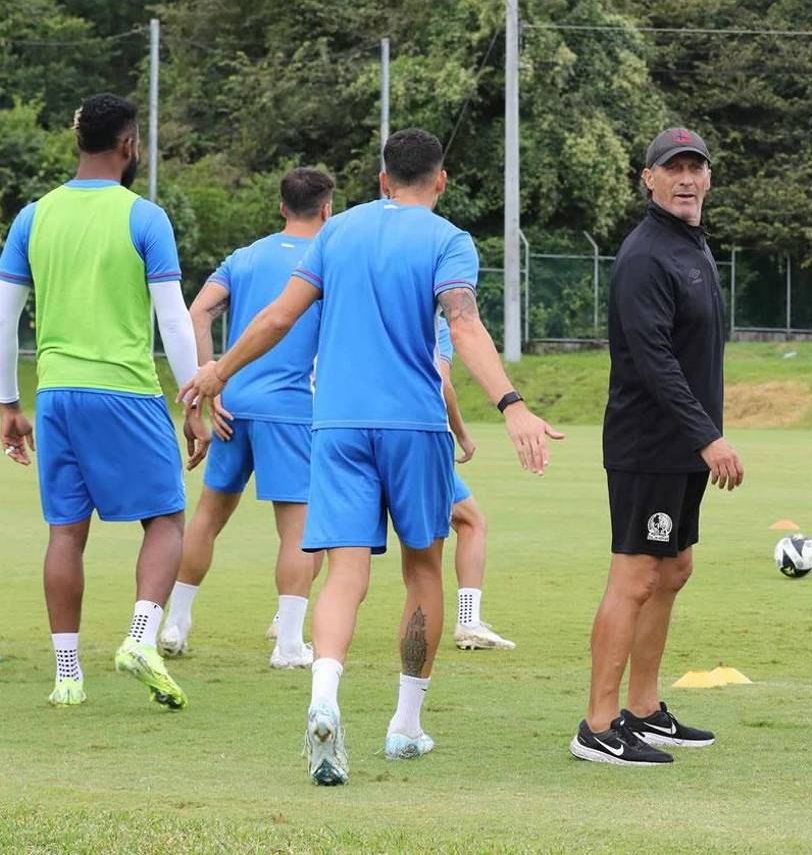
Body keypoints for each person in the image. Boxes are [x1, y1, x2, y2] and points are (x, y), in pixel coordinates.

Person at [178, 128, 561, 786]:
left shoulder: (337, 233)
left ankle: (324, 691)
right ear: (438, 182)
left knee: (343, 573)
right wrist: (511, 404)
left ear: (382, 179)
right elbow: (463, 325)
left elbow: (275, 319)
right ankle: (406, 726)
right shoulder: (448, 241)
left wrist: (218, 372)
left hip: (338, 426)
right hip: (414, 426)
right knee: (421, 571)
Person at [0, 93, 207, 710]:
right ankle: (141, 637)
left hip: (57, 392)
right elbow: (172, 319)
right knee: (167, 519)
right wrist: (192, 398)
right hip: (124, 390)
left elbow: (5, 319)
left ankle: (68, 674)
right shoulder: (145, 217)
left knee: (66, 532)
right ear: (128, 144)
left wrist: (9, 403)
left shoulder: (33, 217)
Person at [570, 127, 741, 767]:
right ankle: (597, 723)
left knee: (674, 569)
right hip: (651, 445)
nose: (687, 179)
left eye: (696, 167)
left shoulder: (690, 247)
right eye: (674, 169)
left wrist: (701, 439)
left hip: (683, 451)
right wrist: (709, 437)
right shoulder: (646, 254)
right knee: (636, 575)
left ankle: (643, 710)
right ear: (649, 179)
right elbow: (653, 360)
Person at [158, 168, 334, 668]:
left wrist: (207, 385)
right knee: (298, 529)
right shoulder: (328, 259)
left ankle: (176, 623)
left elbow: (197, 312)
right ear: (327, 208)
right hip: (293, 409)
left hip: (231, 405)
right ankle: (289, 644)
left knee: (209, 517)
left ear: (281, 207)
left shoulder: (244, 257)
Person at [435, 314, 515, 651]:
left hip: (348, 432)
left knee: (345, 545)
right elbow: (441, 382)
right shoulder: (435, 323)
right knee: (470, 522)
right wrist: (463, 435)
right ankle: (468, 622)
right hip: (415, 439)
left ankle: (287, 620)